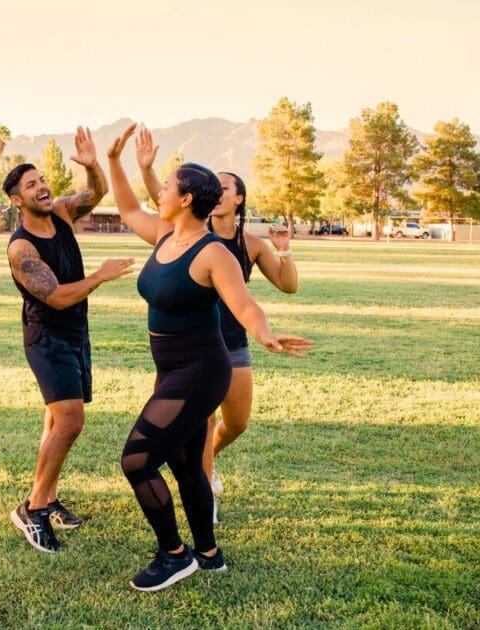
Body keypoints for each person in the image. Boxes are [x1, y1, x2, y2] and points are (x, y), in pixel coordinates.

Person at [107, 123, 312, 591]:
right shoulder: (164, 235)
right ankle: (209, 552)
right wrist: (116, 161)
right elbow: (124, 206)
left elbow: (244, 305)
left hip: (202, 369)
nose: (158, 192)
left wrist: (265, 334)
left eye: (165, 187)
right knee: (184, 464)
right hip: (172, 369)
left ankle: (173, 555)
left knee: (137, 461)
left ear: (184, 200)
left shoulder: (213, 252)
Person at [134, 126, 299, 512]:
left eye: (227, 186)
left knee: (237, 423)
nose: (220, 191)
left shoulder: (250, 245)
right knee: (201, 423)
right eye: (215, 186)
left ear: (239, 198)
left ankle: (206, 462)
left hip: (235, 343)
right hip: (198, 347)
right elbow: (164, 195)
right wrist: (148, 169)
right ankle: (203, 490)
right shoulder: (190, 237)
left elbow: (286, 286)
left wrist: (286, 251)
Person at [5, 127, 135, 553]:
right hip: (47, 337)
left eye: (42, 180)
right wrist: (99, 275)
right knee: (71, 420)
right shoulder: (21, 249)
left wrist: (92, 163)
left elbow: (95, 193)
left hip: (76, 332)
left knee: (56, 421)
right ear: (16, 200)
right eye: (31, 185)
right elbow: (57, 296)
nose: (41, 187)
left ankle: (49, 496)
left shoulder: (61, 213)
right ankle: (34, 509)